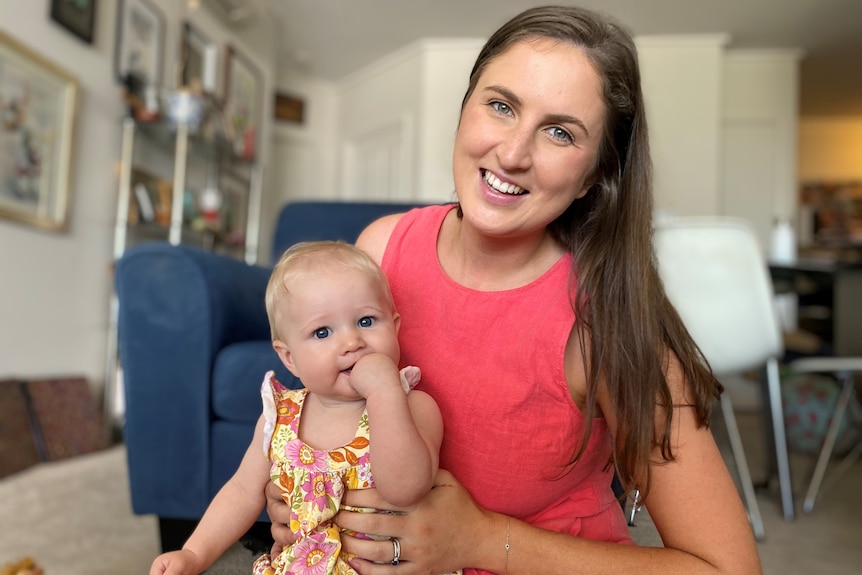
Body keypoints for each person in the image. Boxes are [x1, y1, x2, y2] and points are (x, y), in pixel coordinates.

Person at [265, 5, 763, 575]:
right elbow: (332, 413)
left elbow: (729, 568)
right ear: (465, 109)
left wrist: (480, 539)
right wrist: (305, 491)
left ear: (597, 173)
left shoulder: (607, 325)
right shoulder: (381, 251)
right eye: (501, 106)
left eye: (559, 132)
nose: (512, 153)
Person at [150, 241, 447, 575]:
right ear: (289, 358)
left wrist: (384, 392)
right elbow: (242, 492)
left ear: (394, 328)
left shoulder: (413, 406)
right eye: (322, 332)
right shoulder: (280, 416)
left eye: (366, 321)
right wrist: (194, 553)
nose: (352, 343)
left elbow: (405, 489)